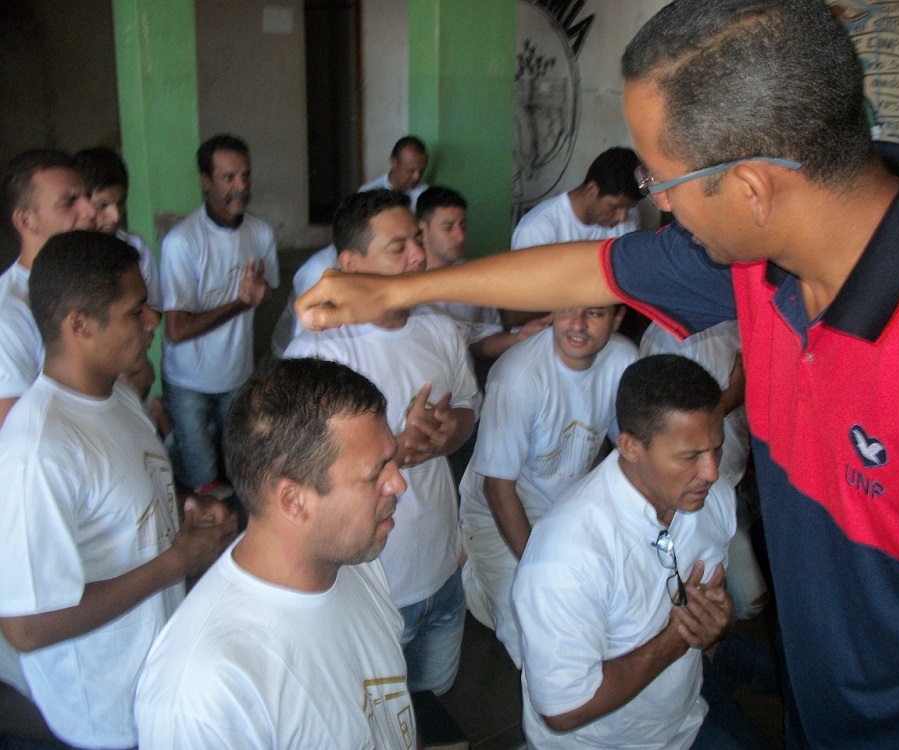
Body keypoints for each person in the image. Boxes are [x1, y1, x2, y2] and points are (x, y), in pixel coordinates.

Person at [296, 1, 899, 746]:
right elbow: (585, 269)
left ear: (753, 189)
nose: (652, 202)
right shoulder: (762, 264)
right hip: (818, 709)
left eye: (661, 177)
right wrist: (399, 290)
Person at [0, 230, 236, 750]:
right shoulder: (38, 449)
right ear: (79, 325)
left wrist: (187, 511)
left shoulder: (119, 398)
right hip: (104, 718)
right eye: (136, 311)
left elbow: (134, 493)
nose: (154, 320)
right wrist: (178, 562)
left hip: (156, 684)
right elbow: (25, 628)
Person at [135, 358, 415, 749]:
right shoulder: (206, 691)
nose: (399, 483)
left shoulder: (354, 562)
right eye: (376, 473)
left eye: (393, 460)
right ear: (293, 500)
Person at [285, 189, 480, 696]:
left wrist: (442, 437)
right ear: (350, 265)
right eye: (399, 247)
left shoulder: (440, 329)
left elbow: (468, 412)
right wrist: (393, 447)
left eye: (417, 239)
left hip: (441, 568)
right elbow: (301, 469)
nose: (419, 255)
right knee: (380, 721)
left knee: (437, 704)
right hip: (371, 585)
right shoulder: (317, 354)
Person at [513, 355, 735, 749]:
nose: (712, 472)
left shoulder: (711, 498)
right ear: (630, 446)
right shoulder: (565, 557)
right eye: (690, 457)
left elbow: (713, 599)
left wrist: (715, 621)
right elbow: (564, 710)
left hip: (684, 725)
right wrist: (675, 640)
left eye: (716, 449)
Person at [460, 303, 636, 666]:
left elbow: (631, 448)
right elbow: (498, 489)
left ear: (617, 319)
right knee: (533, 634)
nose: (578, 324)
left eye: (596, 313)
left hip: (571, 503)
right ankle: (470, 567)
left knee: (608, 607)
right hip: (497, 515)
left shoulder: (623, 358)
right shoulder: (517, 377)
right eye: (568, 309)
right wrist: (537, 569)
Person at [159, 134, 279, 497]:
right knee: (202, 480)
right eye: (228, 177)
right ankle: (169, 434)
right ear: (205, 180)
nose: (240, 186)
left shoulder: (260, 232)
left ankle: (176, 436)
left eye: (245, 175)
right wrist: (242, 303)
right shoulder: (182, 241)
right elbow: (177, 330)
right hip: (188, 380)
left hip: (236, 374)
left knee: (234, 468)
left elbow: (266, 288)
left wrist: (259, 293)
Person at [640, 321, 767, 620]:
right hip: (694, 494)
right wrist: (734, 396)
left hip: (738, 476)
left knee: (740, 600)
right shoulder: (670, 337)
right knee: (742, 599)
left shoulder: (744, 319)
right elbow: (661, 425)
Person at [0, 149, 95, 428]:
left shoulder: (91, 283)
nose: (90, 211)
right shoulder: (9, 312)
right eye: (69, 202)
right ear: (26, 221)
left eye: (87, 196)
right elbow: (14, 431)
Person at [506, 146, 642, 327]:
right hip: (544, 334)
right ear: (592, 189)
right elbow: (518, 311)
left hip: (602, 331)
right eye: (615, 207)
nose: (622, 216)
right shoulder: (538, 228)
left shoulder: (628, 221)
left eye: (628, 208)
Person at [414, 185, 550, 360]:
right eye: (448, 227)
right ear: (422, 228)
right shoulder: (403, 280)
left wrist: (518, 338)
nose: (460, 236)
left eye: (463, 225)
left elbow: (481, 342)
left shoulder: (475, 278)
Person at [74, 145, 162, 309]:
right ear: (80, 203)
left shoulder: (136, 247)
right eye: (102, 205)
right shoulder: (65, 256)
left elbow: (152, 309)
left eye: (120, 203)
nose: (115, 216)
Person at [359, 135, 430, 210]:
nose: (417, 177)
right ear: (393, 162)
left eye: (422, 171)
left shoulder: (426, 195)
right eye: (411, 171)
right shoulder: (368, 194)